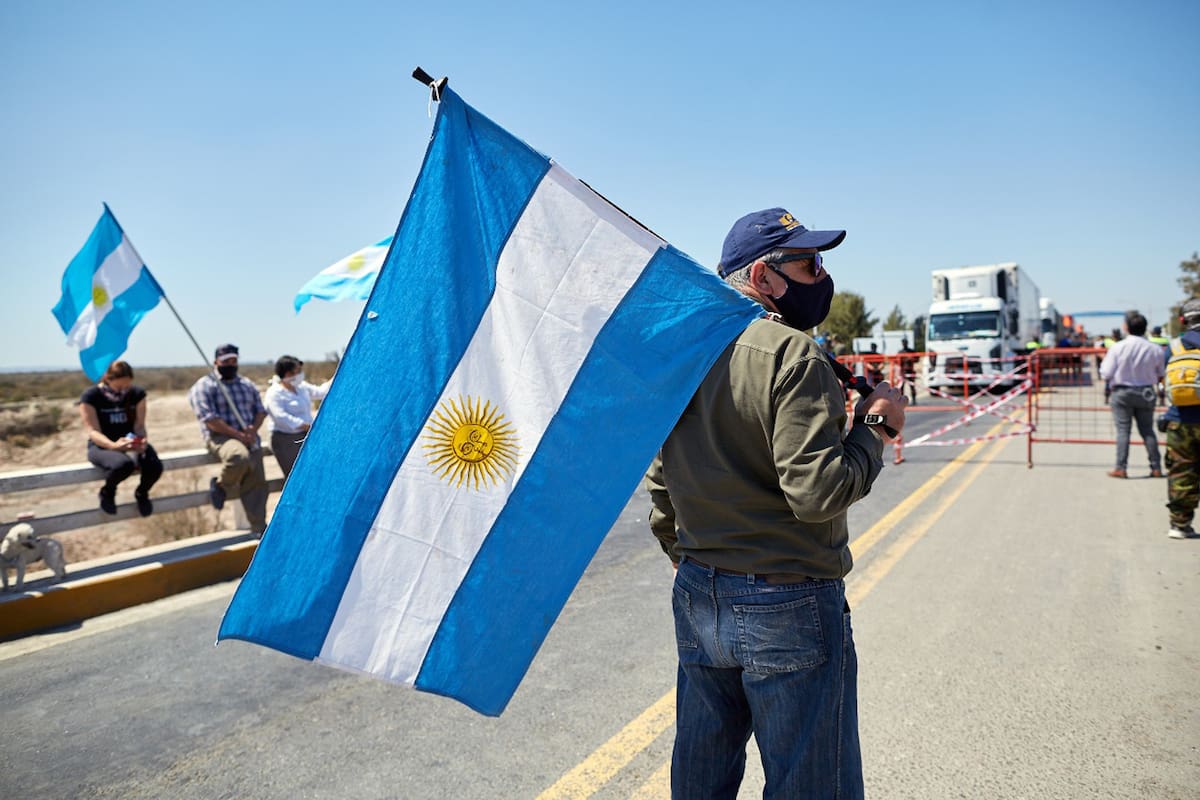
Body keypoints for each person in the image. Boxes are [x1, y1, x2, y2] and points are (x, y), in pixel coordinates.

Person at [644, 207, 907, 798]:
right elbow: (818, 494)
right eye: (810, 264)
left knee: (702, 771)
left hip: (701, 590)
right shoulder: (794, 355)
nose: (822, 277)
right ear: (763, 277)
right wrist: (875, 430)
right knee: (810, 779)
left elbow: (661, 484)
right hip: (786, 598)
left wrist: (689, 559)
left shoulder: (686, 351)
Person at [188, 343, 269, 535]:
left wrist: (252, 430)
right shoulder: (204, 386)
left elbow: (260, 411)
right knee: (238, 458)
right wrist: (238, 435)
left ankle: (259, 529)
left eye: (234, 361)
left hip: (249, 437)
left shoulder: (246, 384)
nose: (231, 364)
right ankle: (220, 484)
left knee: (256, 484)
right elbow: (209, 419)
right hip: (221, 437)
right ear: (216, 361)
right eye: (226, 361)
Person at [79, 360, 163, 516]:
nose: (123, 390)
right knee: (122, 465)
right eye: (119, 387)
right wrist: (113, 446)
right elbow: (93, 431)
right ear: (107, 379)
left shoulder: (137, 394)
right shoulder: (91, 396)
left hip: (131, 442)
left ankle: (142, 493)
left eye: (127, 386)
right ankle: (108, 492)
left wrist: (141, 440)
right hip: (102, 445)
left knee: (154, 466)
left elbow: (139, 425)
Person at [1098, 311, 1163, 479]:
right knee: (1148, 431)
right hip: (1147, 392)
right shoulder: (1155, 349)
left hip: (1122, 393)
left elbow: (1105, 372)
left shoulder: (1117, 348)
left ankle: (1121, 467)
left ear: (1126, 327)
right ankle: (1156, 468)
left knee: (1123, 431)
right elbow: (1160, 373)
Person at [1162, 299, 1200, 539]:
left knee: (1181, 473)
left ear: (1183, 320)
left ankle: (1179, 525)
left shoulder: (1174, 346)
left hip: (1180, 420)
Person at [264, 355, 331, 477]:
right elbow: (280, 416)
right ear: (288, 374)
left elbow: (321, 392)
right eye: (298, 371)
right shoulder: (274, 393)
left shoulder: (302, 387)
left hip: (306, 434)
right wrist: (303, 425)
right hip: (286, 439)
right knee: (296, 475)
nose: (301, 374)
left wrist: (338, 375)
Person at [898, 337, 919, 404]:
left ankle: (914, 400)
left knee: (912, 386)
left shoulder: (911, 351)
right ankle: (901, 401)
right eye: (903, 343)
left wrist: (911, 359)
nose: (904, 344)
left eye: (905, 342)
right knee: (901, 387)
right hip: (903, 371)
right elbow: (897, 361)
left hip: (910, 370)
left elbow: (917, 359)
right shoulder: (900, 352)